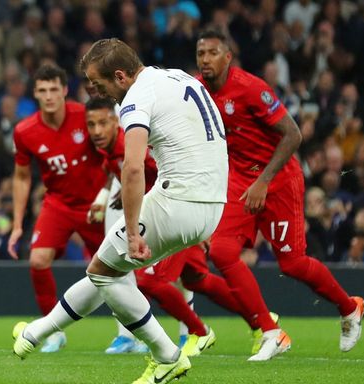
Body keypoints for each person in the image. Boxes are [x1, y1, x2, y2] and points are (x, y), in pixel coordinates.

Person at [12, 38, 228, 383]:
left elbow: (132, 167)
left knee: (103, 271)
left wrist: (130, 232)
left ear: (120, 76)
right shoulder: (178, 78)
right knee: (109, 269)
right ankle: (36, 334)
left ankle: (166, 354)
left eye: (100, 85)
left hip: (179, 199)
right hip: (213, 203)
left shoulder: (137, 98)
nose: (101, 94)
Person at [195, 29, 364, 361]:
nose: (205, 60)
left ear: (227, 57)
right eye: (201, 53)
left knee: (292, 263)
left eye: (213, 53)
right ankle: (271, 332)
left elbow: (293, 134)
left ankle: (349, 307)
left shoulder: (251, 88)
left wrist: (263, 181)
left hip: (278, 180)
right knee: (222, 252)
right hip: (239, 180)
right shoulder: (199, 91)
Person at [85, 96, 253, 357]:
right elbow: (128, 175)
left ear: (115, 121)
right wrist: (106, 197)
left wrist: (193, 213)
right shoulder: (110, 149)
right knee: (198, 279)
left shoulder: (131, 143)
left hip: (174, 212)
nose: (96, 131)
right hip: (173, 213)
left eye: (102, 123)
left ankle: (199, 332)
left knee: (148, 281)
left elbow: (168, 173)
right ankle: (261, 321)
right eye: (91, 125)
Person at [7, 64, 108, 353]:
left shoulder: (86, 116)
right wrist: (16, 224)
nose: (49, 96)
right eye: (42, 91)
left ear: (64, 90)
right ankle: (52, 331)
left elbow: (113, 152)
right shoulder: (25, 131)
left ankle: (129, 332)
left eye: (54, 89)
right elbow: (22, 177)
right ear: (35, 94)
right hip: (58, 204)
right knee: (38, 260)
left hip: (95, 205)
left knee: (118, 268)